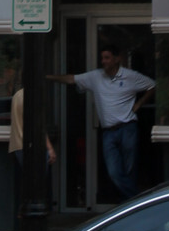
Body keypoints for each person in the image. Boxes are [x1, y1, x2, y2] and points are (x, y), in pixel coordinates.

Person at [48, 39, 154, 200]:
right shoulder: (95, 77)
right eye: (102, 58)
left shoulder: (130, 76)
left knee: (130, 169)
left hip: (128, 128)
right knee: (113, 172)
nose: (103, 61)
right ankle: (137, 201)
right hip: (108, 132)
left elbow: (152, 85)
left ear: (117, 59)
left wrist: (139, 104)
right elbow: (71, 79)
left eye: (107, 58)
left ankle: (130, 205)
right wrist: (47, 77)